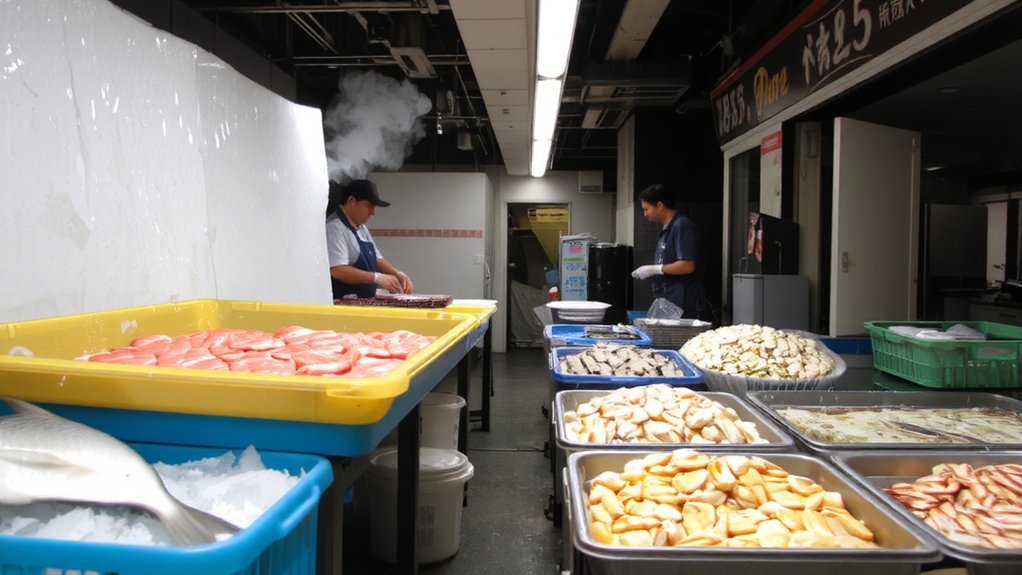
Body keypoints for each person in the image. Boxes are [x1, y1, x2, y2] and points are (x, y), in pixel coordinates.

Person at [326, 179, 413, 299]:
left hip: (363, 302)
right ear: (351, 201)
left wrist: (397, 273)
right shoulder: (334, 228)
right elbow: (337, 270)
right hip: (343, 305)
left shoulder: (361, 228)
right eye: (369, 206)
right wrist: (376, 278)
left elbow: (377, 259)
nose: (373, 212)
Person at [631, 183, 705, 319]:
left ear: (659, 206)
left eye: (646, 209)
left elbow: (687, 265)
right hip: (668, 298)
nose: (645, 214)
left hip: (682, 301)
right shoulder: (665, 229)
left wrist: (654, 269)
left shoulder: (681, 226)